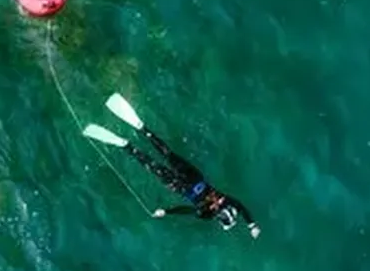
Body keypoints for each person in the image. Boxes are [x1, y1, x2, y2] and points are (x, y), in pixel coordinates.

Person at [83, 93, 261, 237]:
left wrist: (166, 212)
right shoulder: (216, 209)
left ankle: (137, 133)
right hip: (188, 181)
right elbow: (191, 210)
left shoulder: (217, 207)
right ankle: (130, 141)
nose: (219, 214)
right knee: (161, 160)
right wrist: (166, 212)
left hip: (188, 181)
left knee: (164, 157)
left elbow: (190, 210)